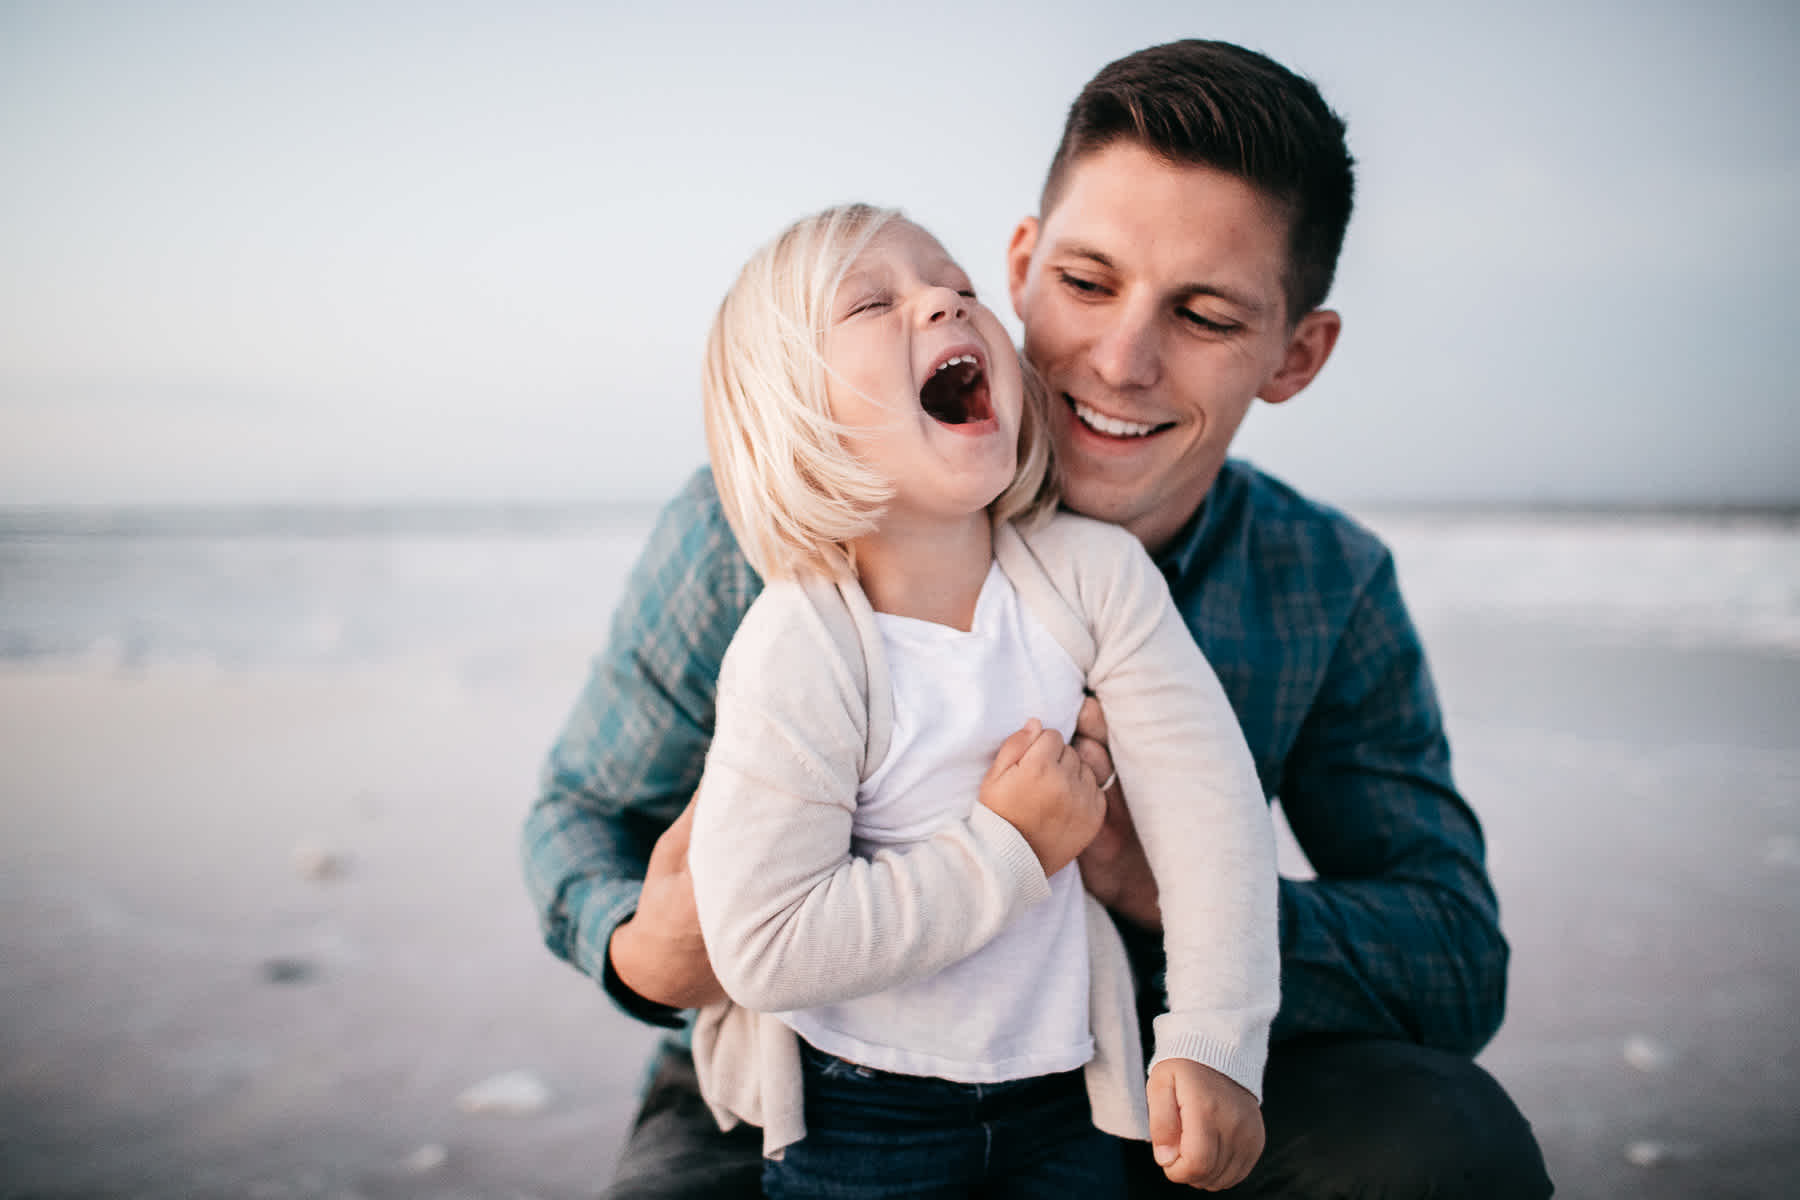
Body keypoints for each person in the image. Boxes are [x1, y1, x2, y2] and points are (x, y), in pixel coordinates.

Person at [523, 38, 1554, 1199]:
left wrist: (1148, 880)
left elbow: (1457, 963)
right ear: (1021, 264)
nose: (1121, 361)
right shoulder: (764, 528)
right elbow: (582, 814)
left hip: (1143, 1080)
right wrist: (644, 947)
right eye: (1088, 283)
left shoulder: (1322, 580)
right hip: (800, 1081)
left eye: (1206, 314)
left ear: (1294, 356)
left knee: (1442, 1142)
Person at [683, 203, 1278, 1198]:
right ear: (795, 413)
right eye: (875, 302)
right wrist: (1011, 848)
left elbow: (1208, 806)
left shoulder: (1095, 577)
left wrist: (1217, 1039)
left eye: (960, 291)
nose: (945, 306)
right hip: (857, 1116)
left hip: (1069, 1097)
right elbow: (766, 946)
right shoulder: (801, 646)